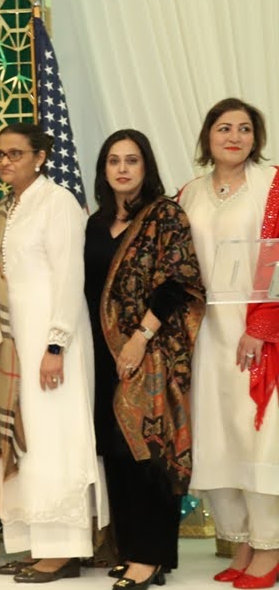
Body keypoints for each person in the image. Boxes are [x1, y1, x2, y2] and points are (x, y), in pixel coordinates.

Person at [84, 130, 205, 589]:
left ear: (146, 166)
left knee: (148, 450)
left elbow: (177, 282)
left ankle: (151, 556)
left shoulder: (165, 215)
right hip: (102, 350)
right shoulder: (95, 224)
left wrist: (139, 338)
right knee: (116, 451)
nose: (122, 168)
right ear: (103, 169)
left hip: (150, 351)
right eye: (113, 160)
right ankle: (132, 549)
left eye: (131, 160)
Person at [0, 123, 105, 584]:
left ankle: (65, 550)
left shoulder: (58, 203)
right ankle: (38, 544)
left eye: (15, 153)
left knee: (56, 438)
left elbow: (70, 278)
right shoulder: (9, 208)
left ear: (40, 157)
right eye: (0, 154)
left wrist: (56, 344)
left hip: (54, 344)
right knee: (28, 439)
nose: (4, 161)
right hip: (17, 344)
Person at [178, 98, 279, 589]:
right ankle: (240, 539)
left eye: (244, 129)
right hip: (206, 333)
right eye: (224, 128)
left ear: (256, 138)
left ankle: (270, 544)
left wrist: (260, 325)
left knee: (256, 432)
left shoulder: (272, 185)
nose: (234, 137)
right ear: (208, 136)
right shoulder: (189, 193)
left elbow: (277, 257)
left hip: (258, 331)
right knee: (216, 432)